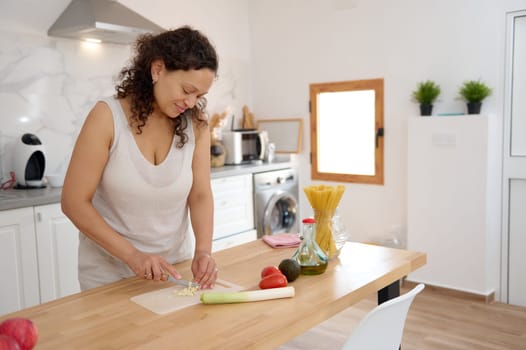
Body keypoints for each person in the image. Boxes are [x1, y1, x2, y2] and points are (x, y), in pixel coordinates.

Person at [61, 26, 219, 291]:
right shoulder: (106, 117)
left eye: (199, 96)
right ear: (158, 70)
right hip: (110, 277)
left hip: (174, 272)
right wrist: (133, 256)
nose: (191, 103)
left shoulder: (196, 124)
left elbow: (200, 193)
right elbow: (74, 202)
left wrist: (204, 251)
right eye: (187, 89)